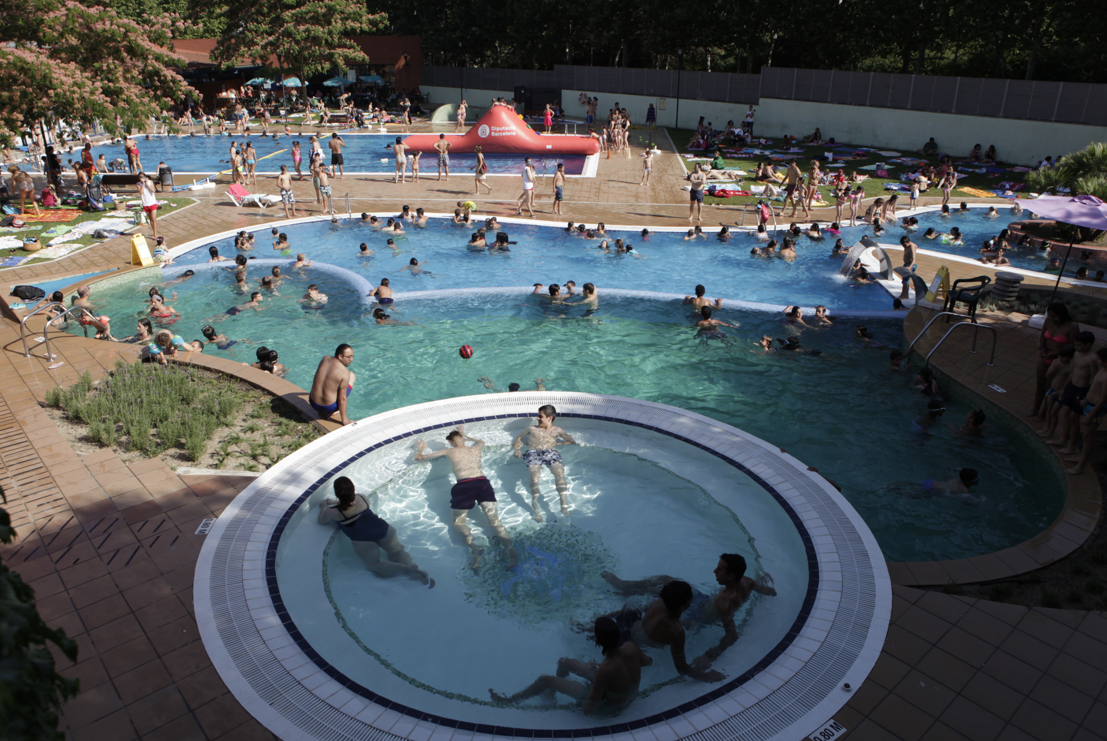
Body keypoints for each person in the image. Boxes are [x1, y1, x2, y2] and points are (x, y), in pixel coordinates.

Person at [489, 616, 651, 714]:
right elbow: (648, 663)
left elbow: (590, 706)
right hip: (620, 689)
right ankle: (549, 694)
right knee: (564, 662)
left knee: (544, 679)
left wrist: (574, 710)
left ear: (598, 640)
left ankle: (510, 701)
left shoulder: (605, 670)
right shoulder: (631, 648)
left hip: (609, 706)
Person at [413, 426, 518, 570]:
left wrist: (421, 448)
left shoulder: (449, 451)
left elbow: (419, 458)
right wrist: (466, 435)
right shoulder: (476, 448)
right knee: (495, 521)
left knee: (459, 522)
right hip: (483, 483)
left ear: (450, 443)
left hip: (464, 485)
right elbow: (482, 441)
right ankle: (510, 550)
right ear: (462, 439)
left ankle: (474, 548)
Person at [317, 476, 432, 586]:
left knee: (374, 565)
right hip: (384, 529)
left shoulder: (332, 512)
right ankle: (412, 567)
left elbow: (322, 522)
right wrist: (337, 502)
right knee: (397, 552)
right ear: (353, 490)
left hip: (363, 541)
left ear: (337, 494)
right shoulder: (362, 498)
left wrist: (324, 508)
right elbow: (351, 504)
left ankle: (405, 569)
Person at [513, 404, 576, 521]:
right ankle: (536, 508)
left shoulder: (558, 430)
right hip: (533, 452)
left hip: (550, 453)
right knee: (535, 478)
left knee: (560, 474)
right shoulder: (531, 428)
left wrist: (557, 444)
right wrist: (517, 449)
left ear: (549, 418)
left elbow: (572, 441)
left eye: (540, 416)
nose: (537, 418)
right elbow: (518, 438)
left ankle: (563, 503)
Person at [1031, 303, 1080, 417]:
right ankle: (1036, 407)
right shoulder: (1048, 321)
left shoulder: (1072, 326)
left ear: (1062, 315)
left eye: (1055, 316)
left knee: (1050, 387)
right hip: (1044, 356)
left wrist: (1055, 353)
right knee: (1040, 384)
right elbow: (1043, 336)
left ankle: (1044, 413)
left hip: (1060, 360)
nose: (1052, 319)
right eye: (1050, 316)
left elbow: (1073, 346)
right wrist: (1042, 348)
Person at [309, 344, 356, 425]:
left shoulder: (325, 358)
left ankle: (322, 412)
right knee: (352, 375)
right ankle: (333, 411)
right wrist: (345, 420)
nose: (351, 359)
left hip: (313, 403)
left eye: (352, 357)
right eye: (349, 357)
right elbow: (342, 398)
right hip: (328, 408)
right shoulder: (344, 372)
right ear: (340, 356)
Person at [137, 172, 160, 240]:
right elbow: (141, 192)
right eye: (141, 177)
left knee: (153, 219)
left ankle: (155, 234)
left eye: (143, 176)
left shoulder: (150, 182)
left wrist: (147, 184)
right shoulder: (138, 184)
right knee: (150, 220)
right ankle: (154, 233)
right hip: (145, 204)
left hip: (152, 203)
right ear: (139, 178)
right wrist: (143, 184)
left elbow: (153, 190)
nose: (142, 178)